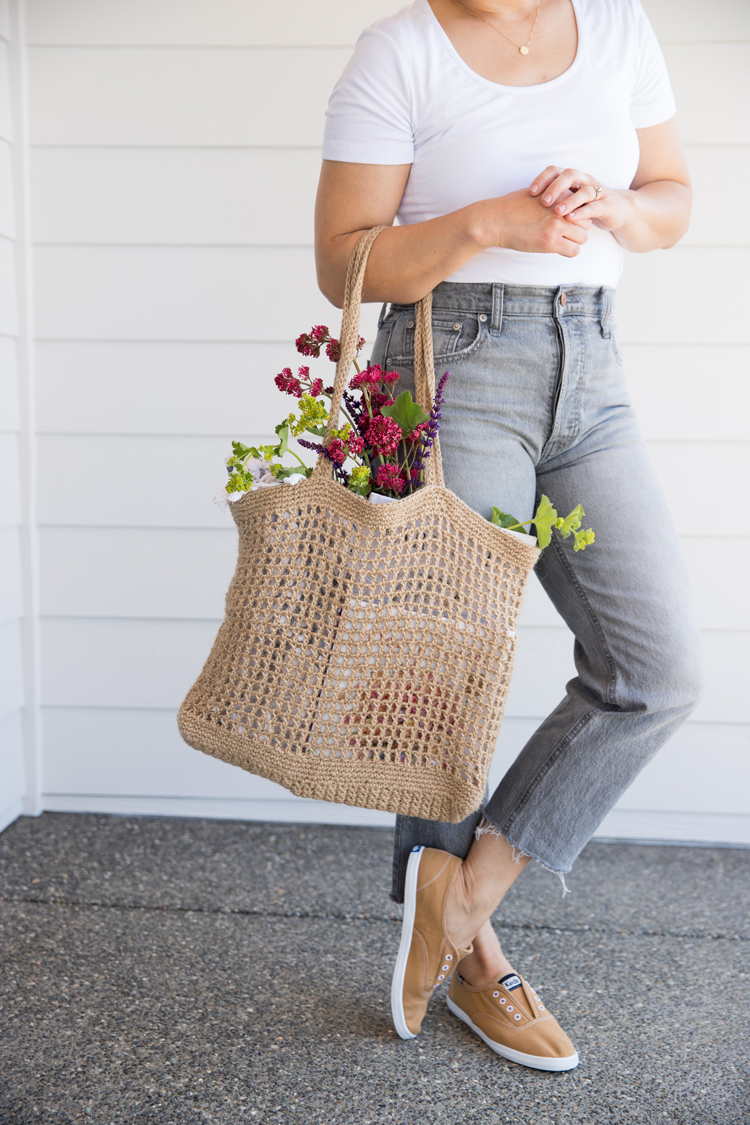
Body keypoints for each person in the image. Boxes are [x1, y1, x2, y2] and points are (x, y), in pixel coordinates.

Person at [314, 0, 703, 1071]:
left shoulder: (622, 30)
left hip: (594, 367)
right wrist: (485, 222)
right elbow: (343, 262)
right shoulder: (402, 49)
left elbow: (672, 204)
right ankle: (480, 964)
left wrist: (619, 203)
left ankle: (460, 894)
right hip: (451, 363)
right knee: (447, 674)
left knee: (658, 669)